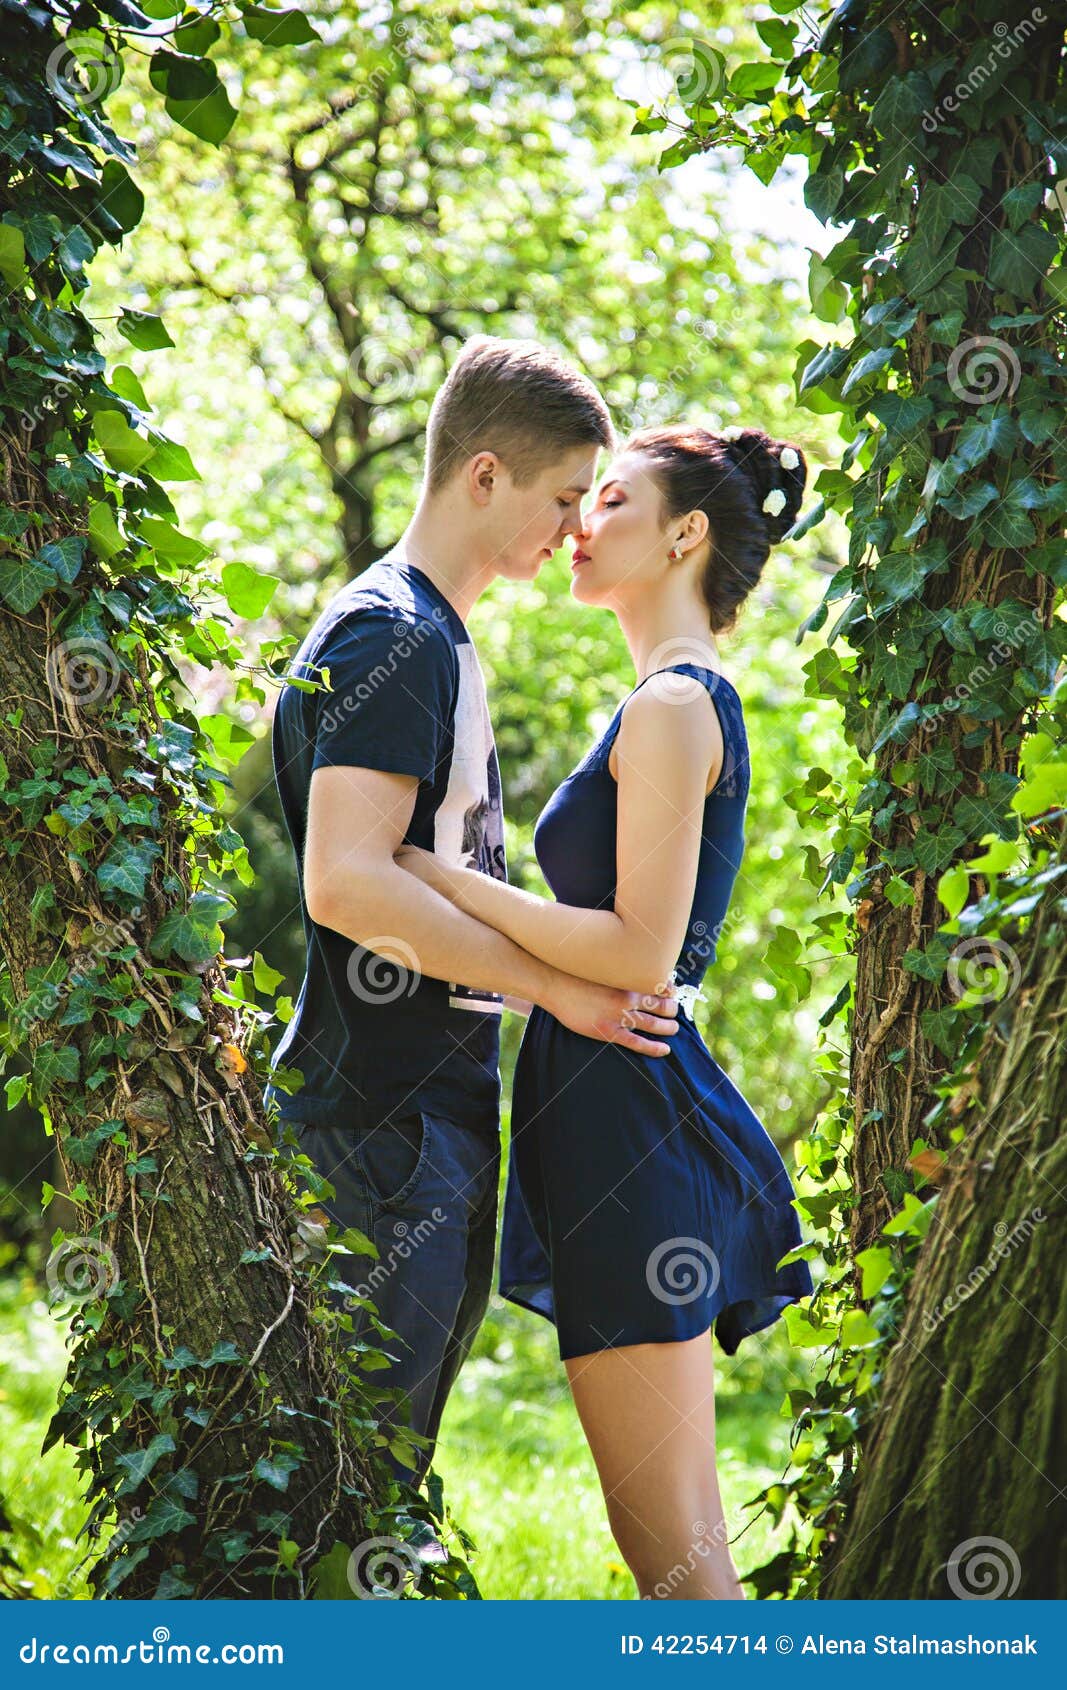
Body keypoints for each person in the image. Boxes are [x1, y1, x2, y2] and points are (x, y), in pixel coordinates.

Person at [395, 423, 816, 1598]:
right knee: (671, 1554)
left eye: (611, 498)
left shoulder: (676, 705)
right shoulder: (662, 699)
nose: (579, 522)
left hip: (629, 1119)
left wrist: (431, 875)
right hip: (611, 1114)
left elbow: (638, 948)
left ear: (683, 533)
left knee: (677, 1563)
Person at [263, 336, 680, 1484]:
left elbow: (409, 863)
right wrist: (553, 985)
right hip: (377, 1126)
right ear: (483, 475)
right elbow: (345, 881)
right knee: (354, 1486)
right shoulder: (392, 635)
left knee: (382, 1478)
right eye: (558, 498)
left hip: (412, 1119)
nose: (572, 529)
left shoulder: (432, 634)